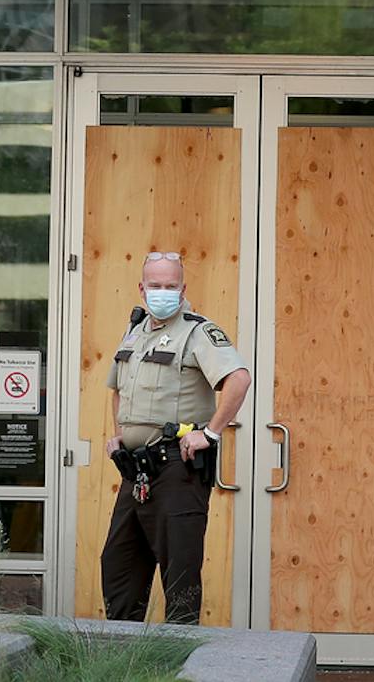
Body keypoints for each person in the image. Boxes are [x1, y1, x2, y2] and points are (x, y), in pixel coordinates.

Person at [100, 251, 252, 625]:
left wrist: (210, 433)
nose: (163, 293)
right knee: (118, 567)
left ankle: (179, 667)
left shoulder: (198, 332)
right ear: (142, 288)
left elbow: (239, 379)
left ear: (183, 288)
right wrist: (121, 434)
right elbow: (118, 387)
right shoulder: (135, 332)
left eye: (171, 286)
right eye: (155, 286)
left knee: (179, 576)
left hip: (176, 470)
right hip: (135, 471)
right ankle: (124, 663)